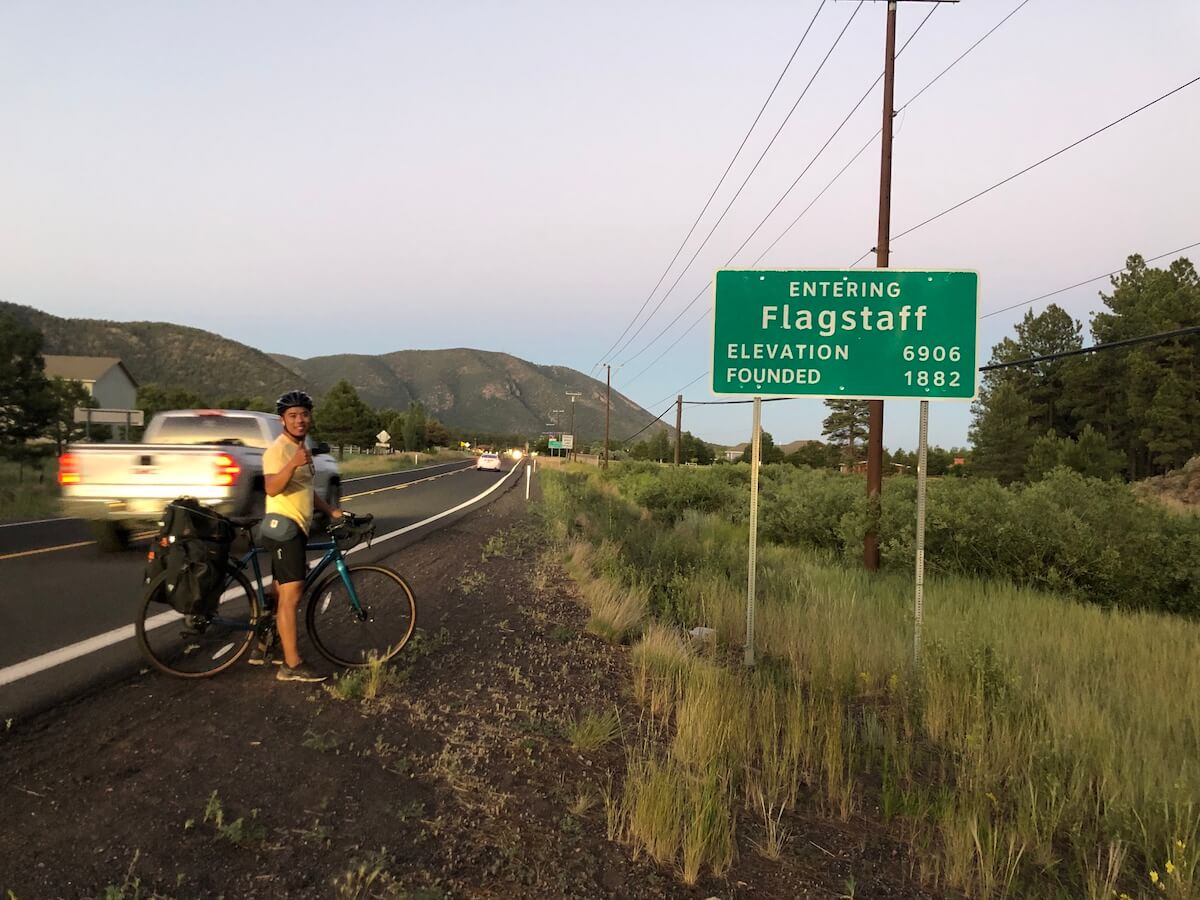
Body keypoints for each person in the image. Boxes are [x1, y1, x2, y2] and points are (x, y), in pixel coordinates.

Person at [256, 390, 342, 682]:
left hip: (297, 527)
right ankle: (291, 666)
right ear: (282, 421)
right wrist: (292, 463)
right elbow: (271, 488)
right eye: (292, 415)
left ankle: (263, 643)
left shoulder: (303, 449)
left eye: (304, 414)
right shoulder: (278, 451)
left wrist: (330, 510)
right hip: (285, 529)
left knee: (282, 591)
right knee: (292, 597)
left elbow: (305, 489)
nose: (300, 420)